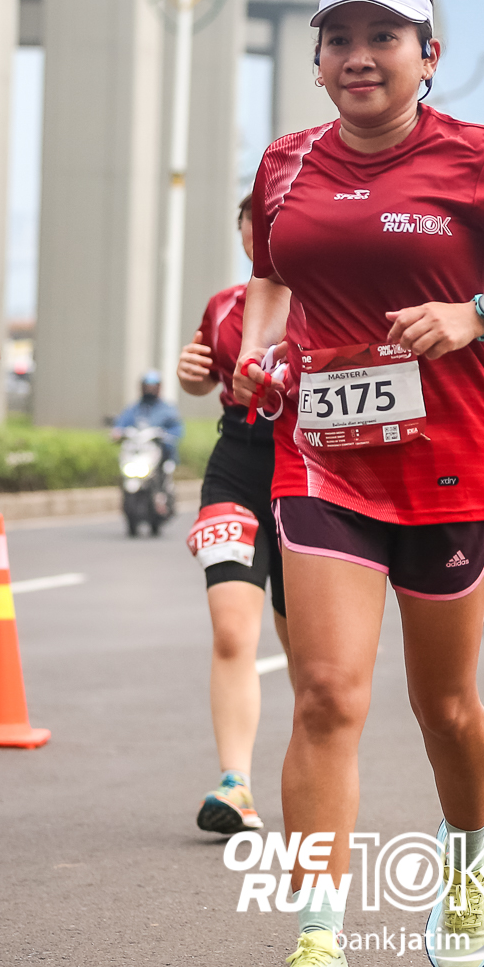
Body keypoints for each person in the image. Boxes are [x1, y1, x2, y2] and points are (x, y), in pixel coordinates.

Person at [232, 0, 484, 967]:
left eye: (383, 38)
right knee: (325, 694)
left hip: (447, 462)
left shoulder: (479, 156)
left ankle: (468, 863)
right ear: (317, 60)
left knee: (444, 707)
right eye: (339, 39)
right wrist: (259, 349)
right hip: (322, 456)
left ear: (428, 58)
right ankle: (319, 952)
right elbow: (271, 273)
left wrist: (479, 314)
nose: (359, 57)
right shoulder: (285, 163)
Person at [177, 193, 291, 835]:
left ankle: (316, 773)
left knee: (310, 655)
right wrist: (191, 374)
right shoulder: (224, 304)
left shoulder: (332, 298)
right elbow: (205, 375)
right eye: (255, 228)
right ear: (245, 235)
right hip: (237, 465)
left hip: (309, 468)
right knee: (230, 632)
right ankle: (235, 783)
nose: (264, 237)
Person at [114, 368, 184, 465]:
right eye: (146, 386)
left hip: (160, 456)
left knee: (167, 466)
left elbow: (176, 430)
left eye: (153, 386)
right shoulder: (133, 409)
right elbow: (121, 424)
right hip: (136, 453)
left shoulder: (168, 410)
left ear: (159, 387)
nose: (149, 389)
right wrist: (118, 432)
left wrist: (165, 435)